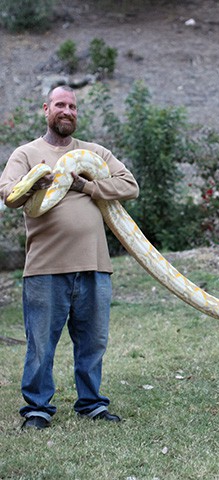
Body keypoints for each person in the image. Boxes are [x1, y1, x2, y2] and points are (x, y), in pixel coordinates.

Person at [0, 85, 139, 429]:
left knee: (93, 343)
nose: (67, 111)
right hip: (45, 268)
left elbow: (129, 185)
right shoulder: (27, 153)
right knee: (41, 344)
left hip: (94, 266)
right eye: (60, 105)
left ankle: (91, 403)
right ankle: (37, 409)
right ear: (46, 110)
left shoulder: (95, 153)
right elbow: (8, 192)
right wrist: (38, 183)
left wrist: (87, 187)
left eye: (73, 106)